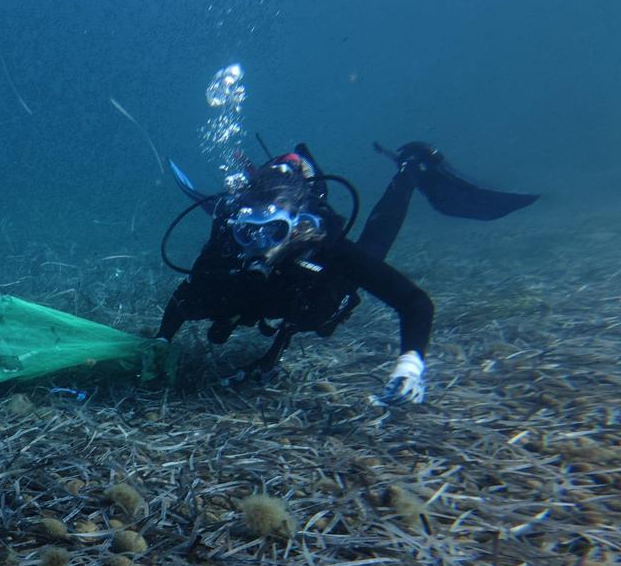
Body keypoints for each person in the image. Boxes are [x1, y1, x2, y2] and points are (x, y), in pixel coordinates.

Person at [156, 141, 538, 404]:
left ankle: (410, 171)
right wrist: (161, 342)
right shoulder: (227, 246)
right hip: (259, 285)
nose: (258, 245)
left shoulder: (320, 244)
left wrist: (410, 365)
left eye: (273, 232)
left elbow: (414, 302)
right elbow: (184, 296)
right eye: (246, 232)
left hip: (317, 290)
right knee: (223, 262)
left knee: (374, 242)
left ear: (297, 227)